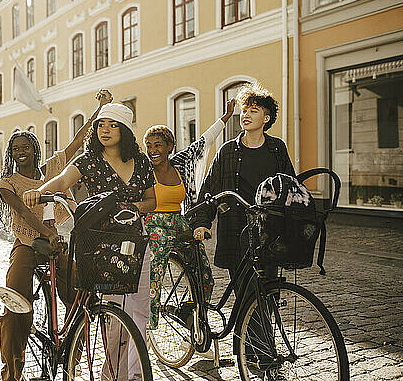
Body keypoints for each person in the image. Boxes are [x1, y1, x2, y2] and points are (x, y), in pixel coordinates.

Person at [23, 103, 156, 380]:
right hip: (101, 242)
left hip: (135, 240)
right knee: (114, 311)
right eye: (101, 125)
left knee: (140, 309)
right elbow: (60, 181)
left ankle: (134, 372)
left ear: (126, 130)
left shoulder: (141, 162)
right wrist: (39, 191)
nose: (104, 130)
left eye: (113, 125)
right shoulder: (89, 161)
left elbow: (151, 200)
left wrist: (132, 208)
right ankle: (113, 374)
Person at [0, 90, 113, 381]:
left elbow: (80, 140)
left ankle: (72, 353)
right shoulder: (6, 183)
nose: (21, 151)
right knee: (16, 301)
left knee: (78, 294)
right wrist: (48, 232)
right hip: (27, 244)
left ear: (35, 149)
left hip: (59, 242)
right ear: (11, 154)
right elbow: (22, 211)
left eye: (26, 146)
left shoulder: (53, 168)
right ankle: (12, 371)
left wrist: (101, 107)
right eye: (16, 148)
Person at [190, 83, 295, 367]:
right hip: (237, 231)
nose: (246, 115)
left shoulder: (277, 149)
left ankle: (256, 349)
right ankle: (257, 354)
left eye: (254, 111)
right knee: (248, 293)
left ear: (267, 118)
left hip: (269, 232)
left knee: (267, 293)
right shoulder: (227, 151)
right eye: (244, 110)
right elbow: (210, 190)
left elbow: (290, 187)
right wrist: (202, 222)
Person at [143, 99, 235, 331]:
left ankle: (190, 313)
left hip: (179, 221)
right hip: (154, 224)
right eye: (149, 145)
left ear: (170, 147)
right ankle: (145, 328)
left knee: (203, 274)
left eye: (158, 145)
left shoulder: (181, 164)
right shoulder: (143, 171)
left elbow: (205, 141)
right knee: (154, 276)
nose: (153, 150)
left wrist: (225, 118)